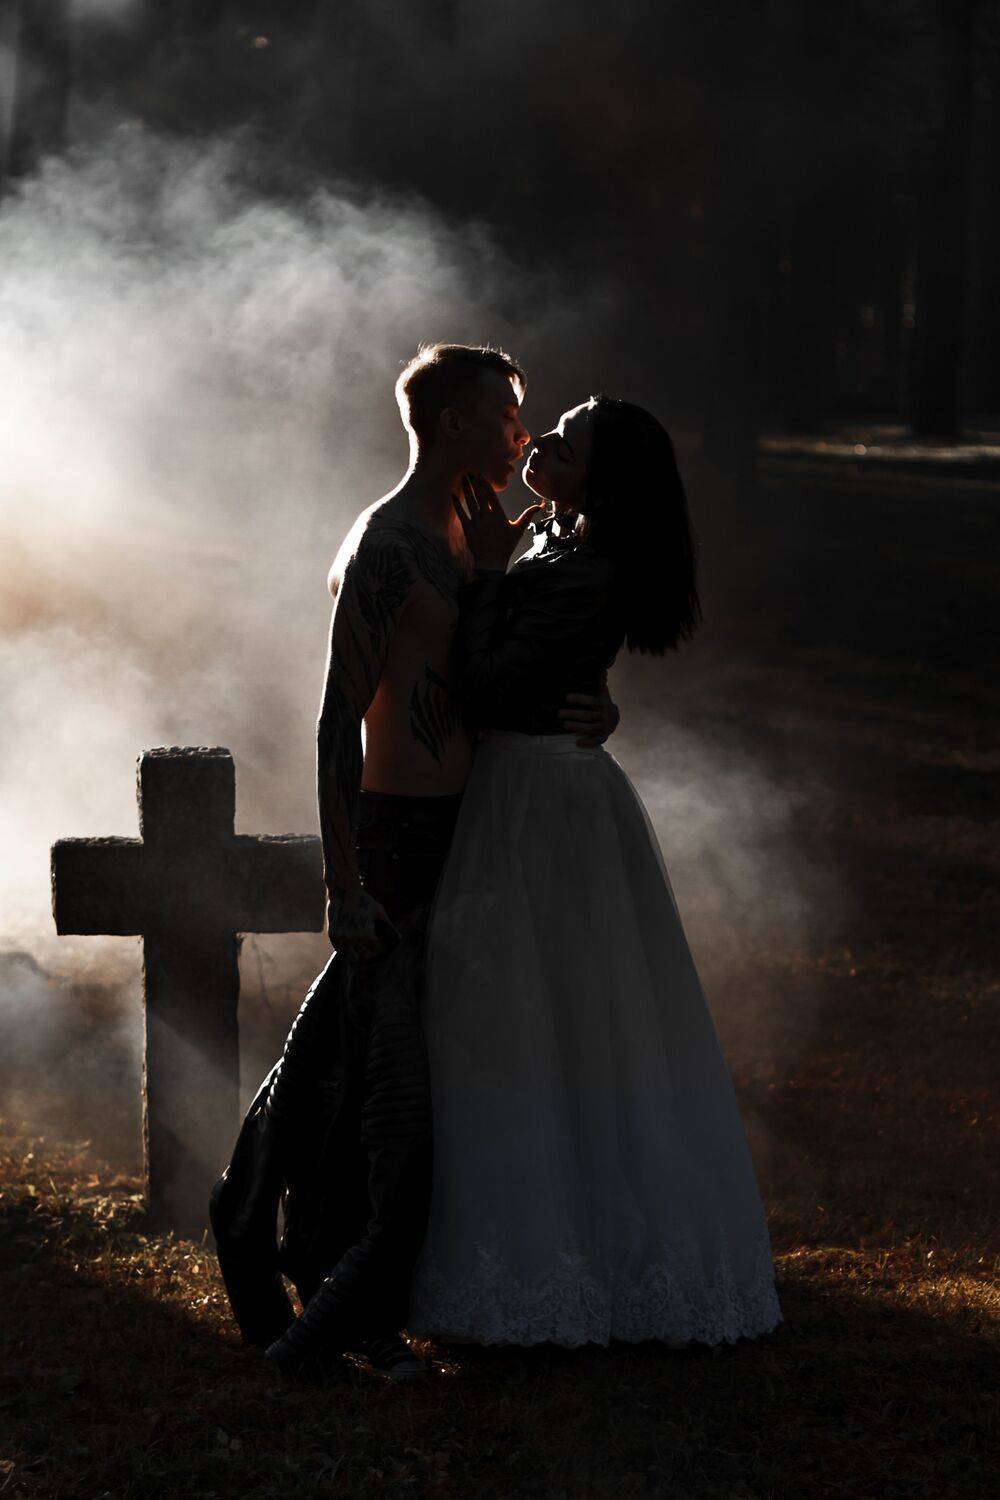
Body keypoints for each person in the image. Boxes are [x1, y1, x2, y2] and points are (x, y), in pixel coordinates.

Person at [209, 345, 617, 1380]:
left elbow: (529, 654)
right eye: (504, 417)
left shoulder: (483, 533)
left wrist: (594, 705)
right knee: (390, 1090)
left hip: (474, 836)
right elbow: (333, 724)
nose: (520, 436)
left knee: (354, 1061)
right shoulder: (386, 547)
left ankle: (263, 1226)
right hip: (395, 839)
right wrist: (344, 886)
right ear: (448, 424)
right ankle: (342, 1309)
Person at [407, 397, 783, 1347]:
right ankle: (541, 1237)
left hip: (543, 800)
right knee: (526, 1013)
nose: (542, 443)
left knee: (563, 1010)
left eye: (567, 444)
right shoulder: (553, 532)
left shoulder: (585, 564)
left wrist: (487, 576)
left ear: (602, 482)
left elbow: (489, 685)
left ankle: (585, 1258)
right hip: (524, 783)